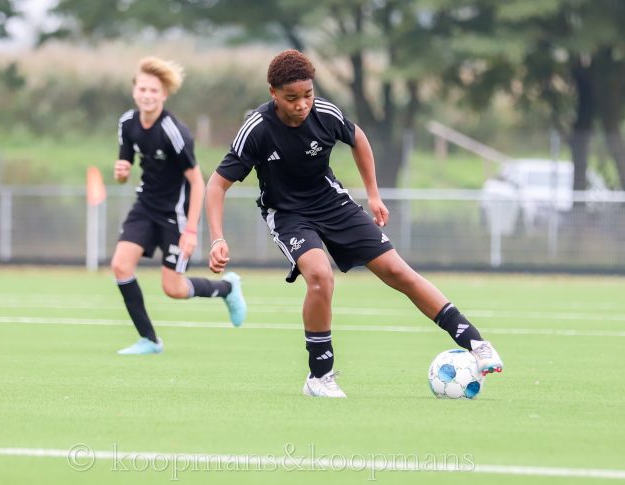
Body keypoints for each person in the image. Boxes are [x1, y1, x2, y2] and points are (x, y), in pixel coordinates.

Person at [205, 49, 503, 397]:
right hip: (288, 215)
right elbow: (217, 184)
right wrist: (217, 238)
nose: (302, 105)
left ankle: (475, 343)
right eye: (291, 98)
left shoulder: (325, 114)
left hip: (333, 204)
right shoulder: (256, 129)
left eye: (307, 95)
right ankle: (319, 376)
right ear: (273, 93)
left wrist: (373, 195)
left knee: (398, 271)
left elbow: (358, 139)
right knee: (320, 276)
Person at [112, 56, 246, 355]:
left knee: (173, 288)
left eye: (153, 91)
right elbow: (123, 171)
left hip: (175, 213)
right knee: (120, 265)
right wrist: (120, 173)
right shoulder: (127, 124)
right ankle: (149, 340)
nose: (147, 95)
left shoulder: (174, 132)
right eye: (142, 89)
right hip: (145, 206)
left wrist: (191, 231)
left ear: (164, 95)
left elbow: (197, 181)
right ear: (134, 90)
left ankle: (227, 288)